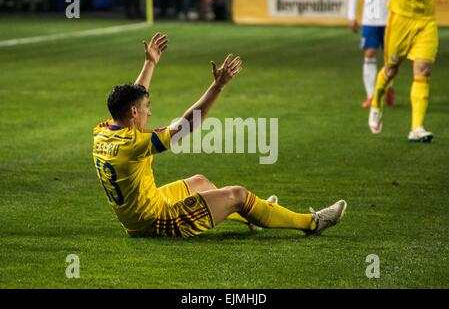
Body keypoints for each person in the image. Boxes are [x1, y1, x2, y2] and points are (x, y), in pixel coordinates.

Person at [92, 32, 347, 238]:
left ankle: (257, 214)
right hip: (156, 222)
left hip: (143, 210)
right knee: (238, 194)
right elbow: (188, 123)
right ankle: (313, 222)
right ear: (134, 112)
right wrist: (218, 85)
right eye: (147, 109)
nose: (150, 113)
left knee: (201, 182)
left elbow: (135, 100)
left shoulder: (103, 132)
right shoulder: (135, 144)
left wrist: (150, 63)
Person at [368, 0, 438, 142]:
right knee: (391, 70)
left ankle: (416, 128)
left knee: (424, 70)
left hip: (426, 18)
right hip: (402, 16)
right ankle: (376, 104)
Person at [347, 0, 395, 108]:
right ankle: (370, 96)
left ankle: (388, 87)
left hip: (390, 17)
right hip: (370, 19)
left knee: (391, 57)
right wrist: (351, 16)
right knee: (369, 53)